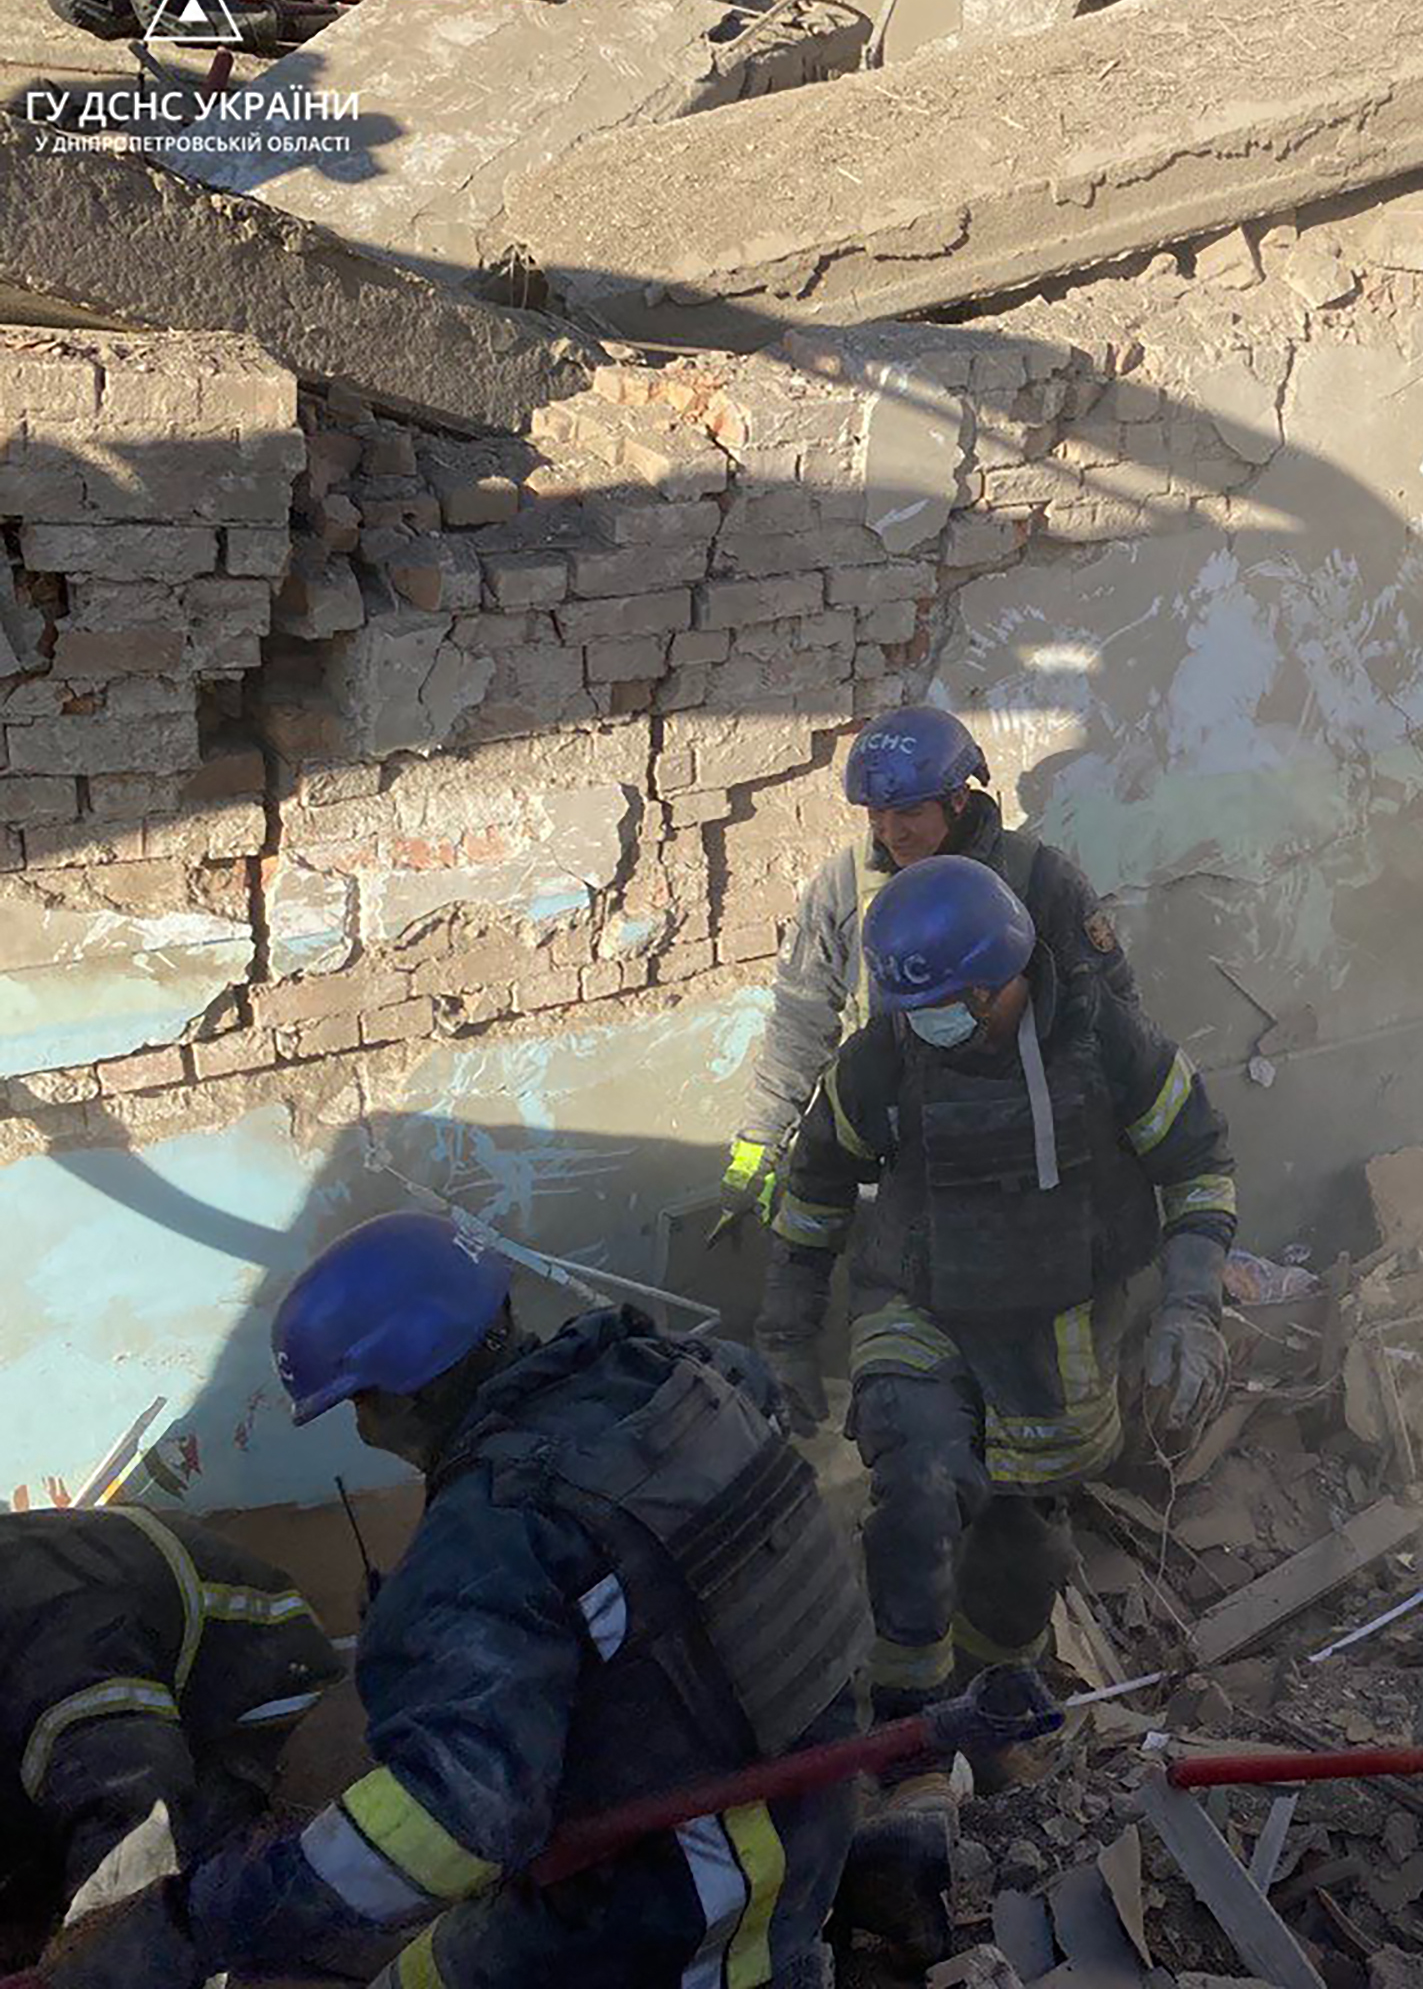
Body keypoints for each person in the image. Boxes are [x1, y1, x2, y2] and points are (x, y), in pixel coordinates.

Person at [181, 1213, 868, 1986]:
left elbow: (456, 1819)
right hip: (816, 1790)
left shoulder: (496, 1536)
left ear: (403, 1387)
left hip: (698, 1882)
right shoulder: (668, 1377)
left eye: (358, 1404)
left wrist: (225, 1912)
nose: (365, 1429)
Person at [760, 856, 1237, 1727]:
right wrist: (787, 1336)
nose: (929, 1026)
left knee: (1023, 1546)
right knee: (918, 1481)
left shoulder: (1110, 1045)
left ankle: (991, 1696)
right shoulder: (883, 1061)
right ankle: (908, 1719)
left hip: (1060, 1325)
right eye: (916, 1009)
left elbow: (1198, 1165)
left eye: (946, 1005)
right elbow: (815, 1185)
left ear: (1001, 980)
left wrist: (1190, 1308)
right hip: (919, 1303)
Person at [723, 704, 1139, 1230]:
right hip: (907, 1154)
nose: (891, 834)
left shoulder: (1039, 880)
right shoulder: (845, 888)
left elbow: (1114, 1007)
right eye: (876, 815)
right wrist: (757, 1146)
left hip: (1034, 1143)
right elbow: (801, 1018)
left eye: (909, 814)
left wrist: (1118, 1135)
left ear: (958, 799)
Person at [0, 1509, 337, 1939]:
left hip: (261, 1712)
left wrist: (87, 1963)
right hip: (132, 1737)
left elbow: (132, 1823)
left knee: (162, 1922)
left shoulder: (49, 1627)